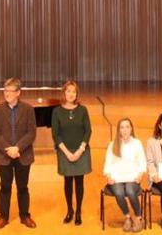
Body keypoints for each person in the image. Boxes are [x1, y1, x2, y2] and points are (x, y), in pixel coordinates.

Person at [0, 77, 38, 229]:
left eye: (10, 91)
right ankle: (3, 216)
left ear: (18, 92)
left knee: (23, 187)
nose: (7, 93)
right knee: (5, 187)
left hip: (22, 155)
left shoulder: (28, 109)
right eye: (5, 90)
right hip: (4, 156)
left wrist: (17, 148)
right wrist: (8, 149)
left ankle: (25, 216)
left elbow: (31, 132)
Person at [51, 80, 92, 226]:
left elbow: (88, 131)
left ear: (77, 94)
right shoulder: (57, 111)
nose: (71, 94)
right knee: (68, 182)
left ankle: (79, 211)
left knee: (79, 182)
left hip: (80, 150)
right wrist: (67, 153)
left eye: (73, 91)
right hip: (64, 151)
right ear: (64, 93)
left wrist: (80, 150)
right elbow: (55, 134)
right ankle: (70, 210)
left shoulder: (83, 110)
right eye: (68, 91)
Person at [104, 118, 147, 232]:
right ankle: (127, 217)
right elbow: (108, 162)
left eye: (127, 127)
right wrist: (108, 176)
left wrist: (140, 175)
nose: (125, 130)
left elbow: (142, 161)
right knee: (119, 192)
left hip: (132, 177)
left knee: (130, 191)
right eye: (122, 127)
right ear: (118, 130)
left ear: (131, 128)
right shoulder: (113, 144)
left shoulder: (137, 143)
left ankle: (138, 218)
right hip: (116, 178)